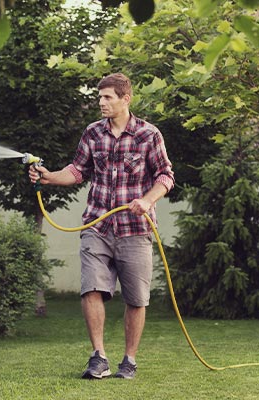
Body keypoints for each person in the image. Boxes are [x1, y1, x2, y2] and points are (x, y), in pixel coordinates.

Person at [28, 73, 175, 380]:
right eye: (99, 97)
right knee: (91, 288)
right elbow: (77, 170)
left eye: (108, 97)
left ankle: (129, 360)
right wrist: (49, 177)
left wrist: (147, 200)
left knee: (136, 299)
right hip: (97, 224)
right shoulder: (93, 133)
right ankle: (99, 357)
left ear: (126, 99)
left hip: (135, 228)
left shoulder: (149, 135)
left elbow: (165, 177)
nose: (101, 102)